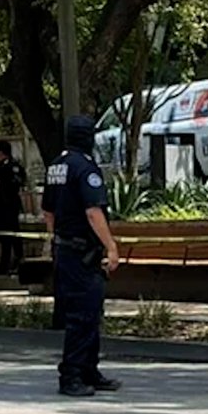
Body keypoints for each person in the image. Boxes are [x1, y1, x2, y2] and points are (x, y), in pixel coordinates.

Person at [42, 115, 122, 398]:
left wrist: (57, 239)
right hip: (80, 253)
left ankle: (89, 370)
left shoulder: (56, 166)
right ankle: (72, 375)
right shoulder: (85, 168)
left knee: (88, 312)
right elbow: (93, 211)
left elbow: (48, 212)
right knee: (83, 315)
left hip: (66, 249)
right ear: (88, 137)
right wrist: (111, 246)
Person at [0, 141, 26, 275]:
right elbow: (22, 182)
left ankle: (5, 265)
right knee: (15, 233)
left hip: (2, 206)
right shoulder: (17, 167)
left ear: (0, 153)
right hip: (13, 205)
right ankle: (17, 260)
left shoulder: (1, 168)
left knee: (5, 237)